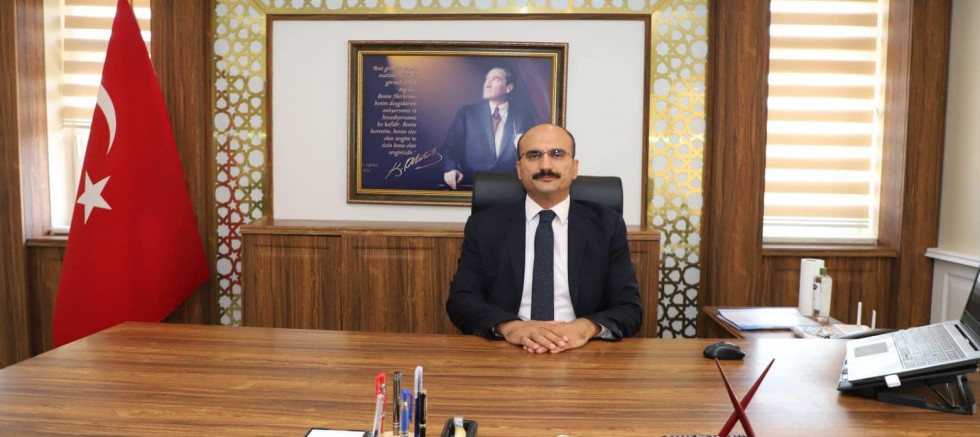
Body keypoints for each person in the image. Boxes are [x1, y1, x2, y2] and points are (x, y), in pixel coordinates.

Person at [445, 123, 643, 354]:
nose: (546, 165)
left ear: (574, 168)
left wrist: (585, 328)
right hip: (508, 349)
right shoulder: (484, 226)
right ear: (519, 169)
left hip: (583, 351)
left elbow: (629, 308)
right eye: (533, 155)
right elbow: (461, 301)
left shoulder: (607, 225)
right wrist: (509, 327)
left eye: (557, 154)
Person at [442, 66, 538, 190]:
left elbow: (533, 154)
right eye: (486, 79)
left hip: (511, 188)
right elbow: (449, 148)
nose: (487, 84)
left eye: (495, 79)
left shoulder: (524, 117)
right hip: (472, 186)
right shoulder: (467, 114)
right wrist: (451, 169)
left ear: (509, 88)